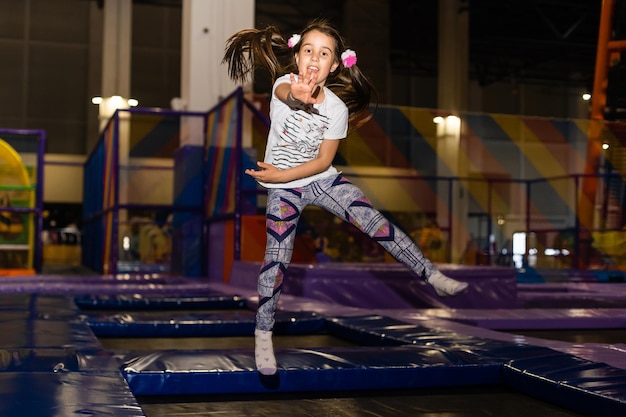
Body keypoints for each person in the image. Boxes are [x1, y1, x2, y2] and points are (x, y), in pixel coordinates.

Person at [223, 19, 468, 376]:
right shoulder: (282, 84)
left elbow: (323, 161)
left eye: (324, 53)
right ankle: (263, 333)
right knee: (277, 258)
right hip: (284, 189)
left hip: (320, 179)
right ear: (297, 56)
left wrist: (280, 175)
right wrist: (299, 98)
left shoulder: (336, 109)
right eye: (308, 50)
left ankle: (432, 276)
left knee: (377, 223)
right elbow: (287, 96)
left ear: (335, 65)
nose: (314, 58)